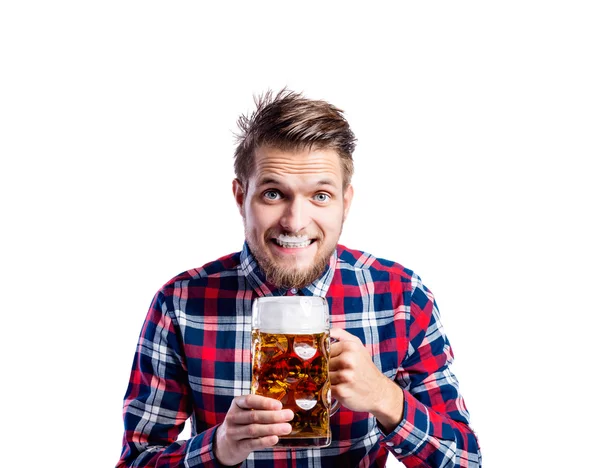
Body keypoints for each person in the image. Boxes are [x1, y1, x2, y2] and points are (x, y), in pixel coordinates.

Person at [116, 90, 482, 467]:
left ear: (346, 201)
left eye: (320, 196)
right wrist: (220, 447)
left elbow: (466, 461)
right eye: (273, 194)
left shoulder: (401, 297)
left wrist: (386, 399)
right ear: (241, 195)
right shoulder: (180, 303)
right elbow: (136, 461)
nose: (295, 221)